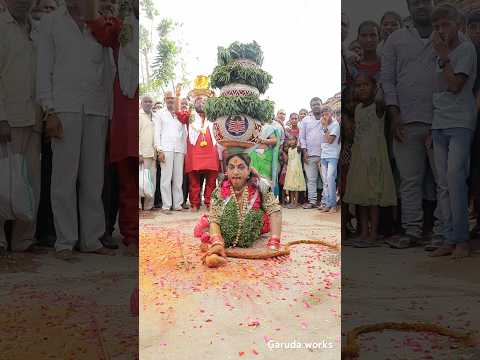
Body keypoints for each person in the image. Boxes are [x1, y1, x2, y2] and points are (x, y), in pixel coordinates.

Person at [36, 0, 115, 260]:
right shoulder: (52, 22)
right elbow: (44, 69)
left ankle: (91, 239)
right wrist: (49, 110)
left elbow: (109, 70)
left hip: (96, 108)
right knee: (63, 179)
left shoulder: (99, 25)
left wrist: (109, 112)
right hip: (64, 108)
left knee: (94, 179)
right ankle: (65, 242)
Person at [381, 0, 444, 250]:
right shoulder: (396, 39)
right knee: (410, 180)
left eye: (425, 2)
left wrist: (439, 120)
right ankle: (412, 231)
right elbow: (388, 80)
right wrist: (395, 115)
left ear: (433, 4)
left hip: (441, 122)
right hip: (405, 122)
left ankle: (442, 232)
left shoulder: (447, 35)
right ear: (408, 7)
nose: (421, 6)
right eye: (415, 2)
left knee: (443, 181)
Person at [86, 0, 139, 254]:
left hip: (139, 107)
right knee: (126, 178)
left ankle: (137, 234)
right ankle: (131, 236)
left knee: (137, 177)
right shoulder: (120, 27)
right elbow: (97, 28)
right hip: (123, 108)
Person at [429, 5, 477, 259]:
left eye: (445, 25)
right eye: (437, 27)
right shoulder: (438, 53)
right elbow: (436, 90)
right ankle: (448, 238)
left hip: (460, 122)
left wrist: (445, 55)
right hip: (439, 123)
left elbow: (456, 85)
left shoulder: (465, 49)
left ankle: (461, 240)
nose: (441, 30)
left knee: (456, 180)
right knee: (443, 185)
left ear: (457, 24)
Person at [0, 0, 42, 256]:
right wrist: (1, 116)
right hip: (9, 118)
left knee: (30, 182)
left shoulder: (36, 28)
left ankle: (24, 240)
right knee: (4, 179)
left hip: (34, 117)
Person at [199, 152, 283, 268]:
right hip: (225, 239)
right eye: (231, 167)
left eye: (241, 167)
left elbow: (275, 211)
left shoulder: (260, 188)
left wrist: (274, 243)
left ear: (249, 171)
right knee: (210, 257)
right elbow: (214, 219)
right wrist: (217, 242)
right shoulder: (219, 192)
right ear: (226, 171)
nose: (236, 172)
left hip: (251, 237)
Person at [344, 73, 397, 247]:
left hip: (375, 157)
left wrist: (380, 85)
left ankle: (373, 234)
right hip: (360, 158)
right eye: (358, 86)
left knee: (373, 198)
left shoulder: (378, 106)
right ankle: (364, 232)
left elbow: (382, 96)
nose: (362, 88)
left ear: (374, 88)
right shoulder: (358, 109)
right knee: (361, 197)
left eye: (366, 84)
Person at [184, 89, 220, 212]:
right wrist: (178, 96)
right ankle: (195, 203)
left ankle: (209, 202)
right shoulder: (190, 115)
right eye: (199, 100)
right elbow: (179, 113)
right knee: (194, 181)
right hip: (194, 152)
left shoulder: (214, 115)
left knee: (211, 180)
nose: (202, 102)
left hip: (211, 152)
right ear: (194, 102)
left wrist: (215, 98)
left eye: (205, 100)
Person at [154, 91, 187, 214]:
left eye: (172, 98)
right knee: (166, 178)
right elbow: (157, 133)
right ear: (164, 99)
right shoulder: (160, 114)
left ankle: (177, 204)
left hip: (179, 148)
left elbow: (184, 133)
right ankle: (166, 205)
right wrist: (159, 150)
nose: (170, 100)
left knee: (178, 178)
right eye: (167, 98)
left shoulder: (181, 114)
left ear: (175, 100)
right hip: (166, 148)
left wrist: (185, 150)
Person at [300, 97, 324, 209]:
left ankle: (325, 201)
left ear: (321, 105)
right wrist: (304, 152)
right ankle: (312, 201)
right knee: (311, 179)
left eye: (317, 104)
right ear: (311, 107)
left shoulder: (327, 118)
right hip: (309, 155)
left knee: (326, 180)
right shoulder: (305, 120)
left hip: (325, 155)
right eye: (313, 104)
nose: (315, 106)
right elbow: (302, 138)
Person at [249, 119, 282, 196]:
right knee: (253, 177)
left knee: (266, 179)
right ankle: (254, 199)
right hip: (253, 154)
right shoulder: (250, 127)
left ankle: (266, 199)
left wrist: (262, 140)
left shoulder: (268, 128)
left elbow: (275, 140)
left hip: (266, 156)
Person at [319, 107, 341, 213]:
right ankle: (327, 204)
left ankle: (333, 205)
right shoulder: (324, 126)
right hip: (323, 155)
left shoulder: (335, 125)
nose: (324, 116)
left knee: (330, 179)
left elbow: (329, 140)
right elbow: (322, 141)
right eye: (323, 114)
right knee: (325, 181)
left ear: (331, 114)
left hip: (333, 155)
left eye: (326, 114)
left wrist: (325, 126)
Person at [139, 96, 156, 211]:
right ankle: (138, 206)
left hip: (153, 154)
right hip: (142, 154)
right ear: (141, 103)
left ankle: (149, 206)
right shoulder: (138, 116)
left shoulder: (155, 117)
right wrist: (138, 153)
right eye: (146, 101)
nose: (148, 103)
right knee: (140, 181)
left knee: (151, 181)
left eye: (150, 101)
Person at [284, 136, 306, 209]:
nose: (291, 141)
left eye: (293, 139)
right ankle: (292, 202)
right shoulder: (289, 149)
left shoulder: (298, 149)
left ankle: (296, 203)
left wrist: (299, 144)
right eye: (290, 140)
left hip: (296, 170)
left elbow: (301, 148)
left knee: (296, 188)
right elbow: (288, 160)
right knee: (291, 187)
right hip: (290, 171)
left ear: (296, 141)